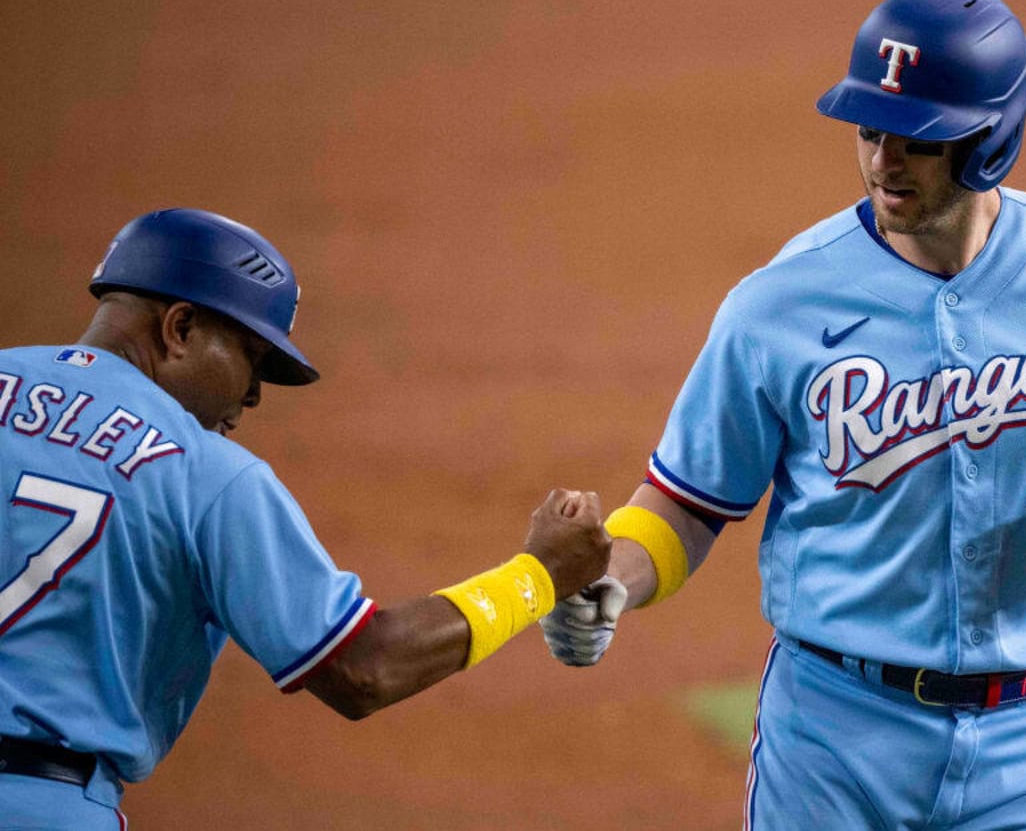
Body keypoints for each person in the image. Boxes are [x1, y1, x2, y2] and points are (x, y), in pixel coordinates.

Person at [539, 0, 1026, 828]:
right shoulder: (780, 304)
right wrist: (613, 585)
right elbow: (686, 500)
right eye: (870, 131)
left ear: (990, 139)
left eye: (917, 140)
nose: (883, 161)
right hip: (836, 739)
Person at [0, 208, 612, 829]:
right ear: (179, 327)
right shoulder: (207, 472)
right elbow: (362, 668)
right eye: (251, 359)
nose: (253, 396)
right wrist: (540, 575)